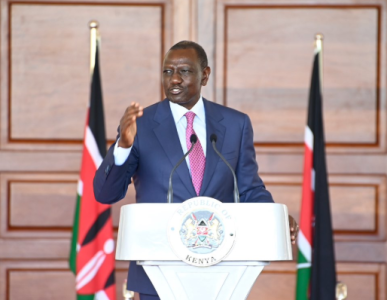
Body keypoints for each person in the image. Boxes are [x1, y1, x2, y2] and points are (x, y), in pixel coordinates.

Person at [94, 40, 298, 300]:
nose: (175, 79)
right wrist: (123, 145)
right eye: (168, 71)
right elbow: (105, 194)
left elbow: (249, 189)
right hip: (158, 272)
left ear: (205, 75)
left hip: (222, 274)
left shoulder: (235, 124)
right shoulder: (141, 126)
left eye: (185, 71)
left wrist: (275, 220)